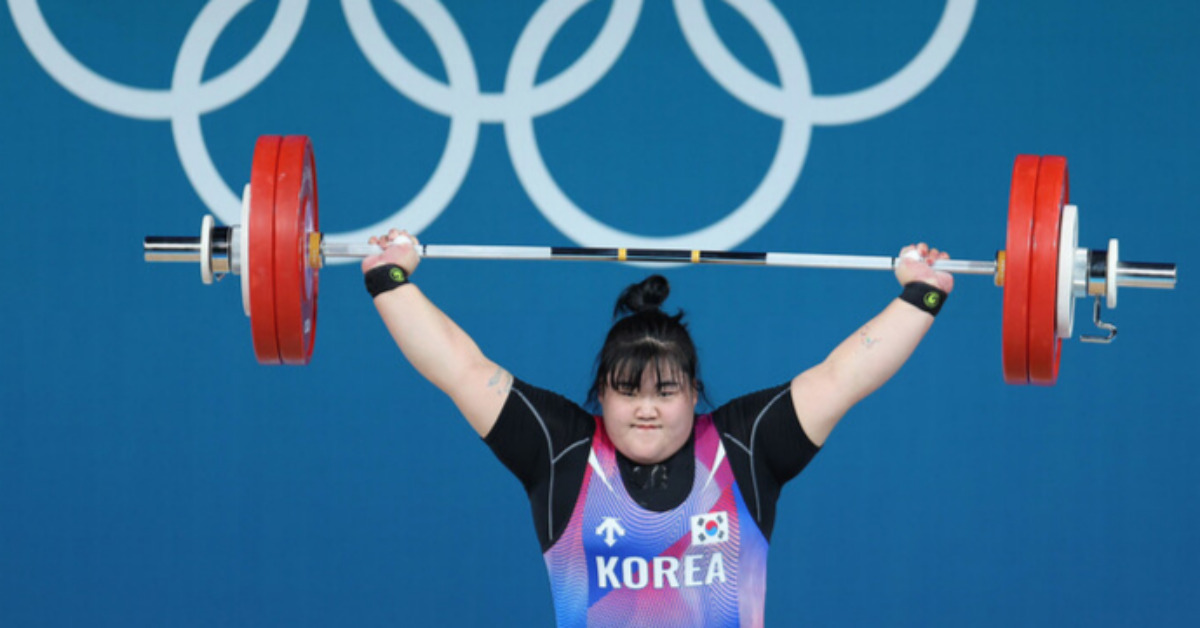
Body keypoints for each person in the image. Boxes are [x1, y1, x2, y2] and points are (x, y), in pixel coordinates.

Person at [360, 230, 953, 628]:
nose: (647, 409)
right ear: (600, 394)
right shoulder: (562, 452)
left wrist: (920, 294)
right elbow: (462, 370)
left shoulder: (743, 450)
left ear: (694, 395)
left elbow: (843, 375)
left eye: (666, 392)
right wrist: (390, 281)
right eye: (628, 391)